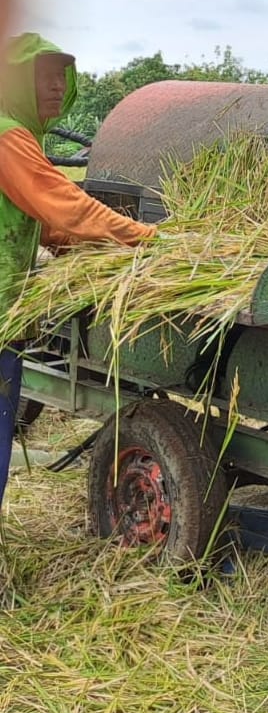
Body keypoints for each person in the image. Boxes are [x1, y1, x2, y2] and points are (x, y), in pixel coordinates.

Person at [0, 34, 156, 510]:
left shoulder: (19, 133)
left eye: (60, 77)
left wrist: (95, 248)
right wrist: (149, 239)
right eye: (42, 77)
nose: (54, 87)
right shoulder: (5, 134)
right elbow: (66, 208)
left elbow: (43, 225)